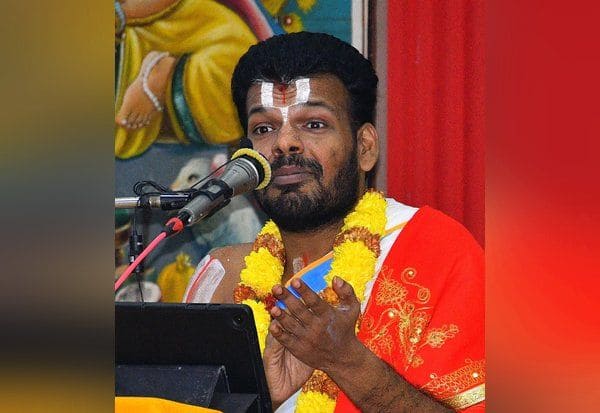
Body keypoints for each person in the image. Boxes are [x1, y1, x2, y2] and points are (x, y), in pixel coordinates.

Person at [183, 32, 485, 412]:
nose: (284, 143)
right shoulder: (220, 279)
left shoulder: (434, 252)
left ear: (365, 148)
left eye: (314, 124)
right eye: (263, 128)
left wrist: (346, 361)